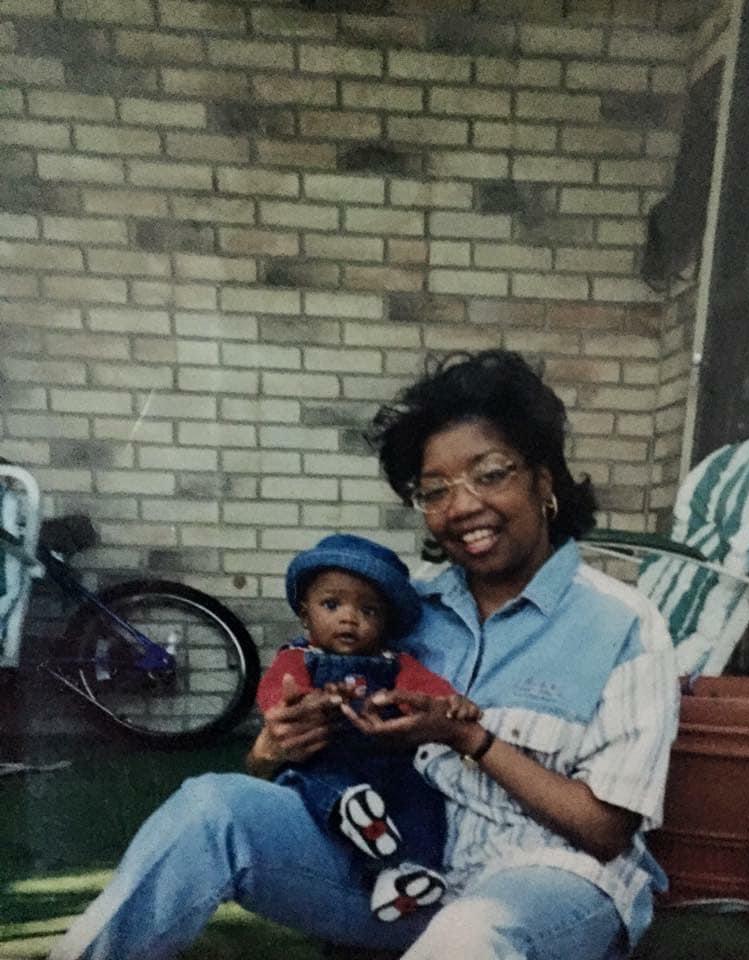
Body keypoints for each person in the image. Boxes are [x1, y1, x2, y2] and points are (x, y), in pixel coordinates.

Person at [50, 349, 679, 960]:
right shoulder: (406, 615)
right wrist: (273, 750)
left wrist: (471, 739)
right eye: (434, 491)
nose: (461, 506)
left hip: (555, 882)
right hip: (404, 872)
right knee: (210, 808)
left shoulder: (622, 624)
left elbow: (605, 831)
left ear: (545, 480)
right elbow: (307, 757)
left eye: (490, 473)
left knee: (470, 933)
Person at [259, 533, 480, 922]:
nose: (349, 618)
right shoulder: (298, 658)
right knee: (303, 777)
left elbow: (432, 692)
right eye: (332, 604)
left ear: (387, 623)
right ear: (305, 614)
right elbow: (278, 694)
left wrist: (454, 705)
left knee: (422, 797)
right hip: (325, 754)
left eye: (370, 611)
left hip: (389, 760)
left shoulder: (397, 663)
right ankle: (347, 807)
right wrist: (302, 704)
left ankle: (405, 874)